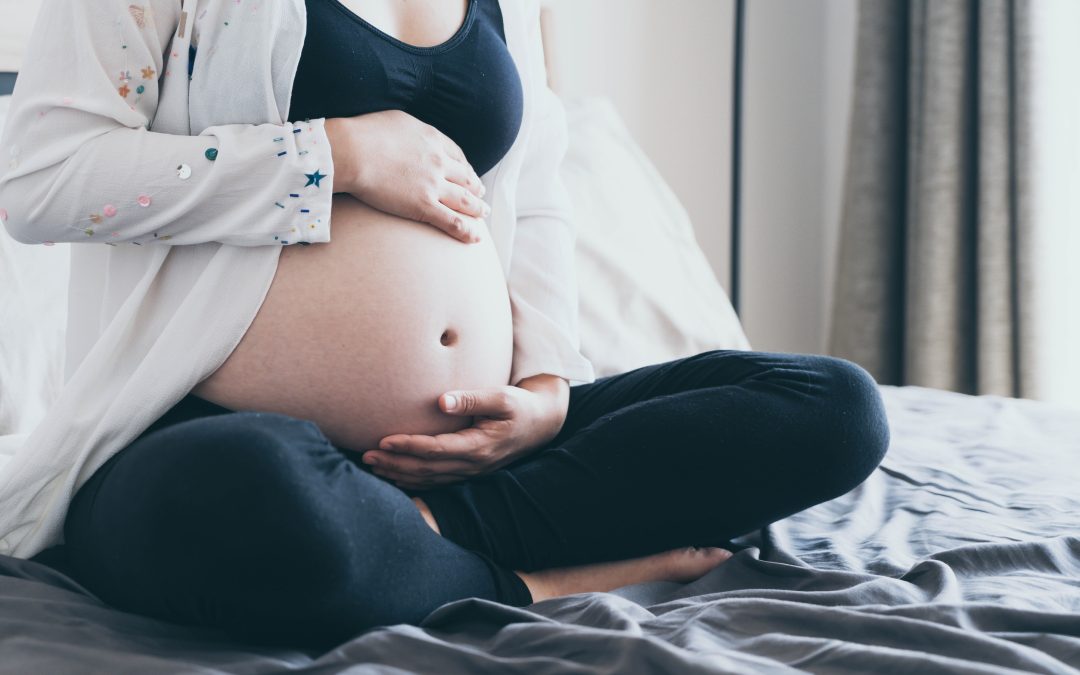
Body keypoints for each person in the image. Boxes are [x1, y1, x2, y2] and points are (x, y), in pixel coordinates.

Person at [0, 0, 891, 651]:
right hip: (212, 432)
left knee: (831, 405)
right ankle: (527, 578)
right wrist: (334, 156)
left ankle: (416, 537)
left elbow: (537, 196)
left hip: (483, 438)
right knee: (251, 496)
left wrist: (544, 391)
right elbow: (44, 180)